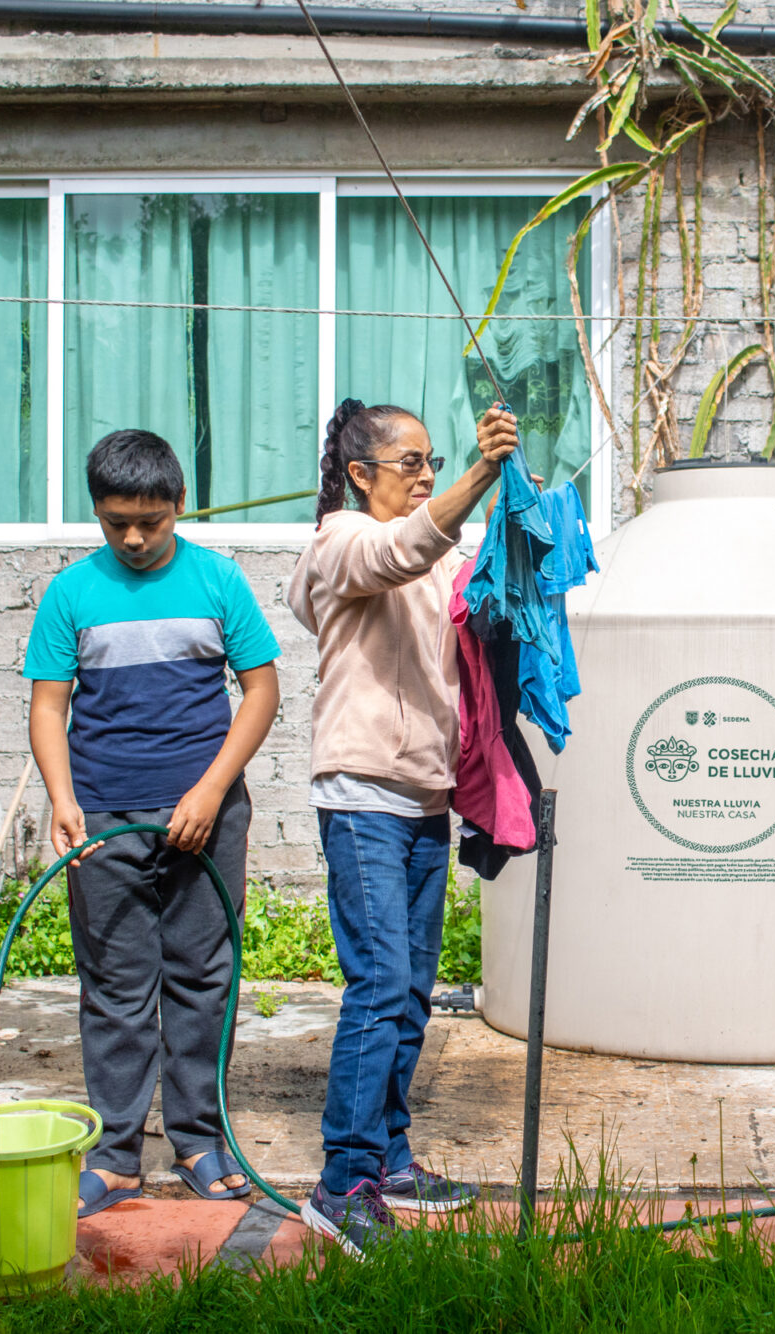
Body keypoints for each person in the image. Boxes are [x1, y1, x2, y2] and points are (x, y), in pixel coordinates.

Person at [23, 429, 281, 1217]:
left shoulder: (218, 580)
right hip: (104, 816)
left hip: (207, 817)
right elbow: (47, 706)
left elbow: (262, 691)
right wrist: (63, 802)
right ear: (98, 514)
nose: (133, 538)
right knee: (115, 987)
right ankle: (115, 1155)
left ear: (178, 505)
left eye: (149, 521)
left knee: (203, 980)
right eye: (115, 523)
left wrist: (209, 792)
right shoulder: (71, 593)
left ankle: (201, 1140)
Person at [287, 396, 519, 1259]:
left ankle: (388, 1160)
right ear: (359, 473)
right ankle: (340, 1184)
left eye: (433, 460)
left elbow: (449, 586)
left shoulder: (428, 561)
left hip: (423, 800)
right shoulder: (341, 541)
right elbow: (403, 545)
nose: (424, 476)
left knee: (412, 992)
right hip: (360, 797)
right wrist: (478, 476)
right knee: (379, 986)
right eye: (410, 462)